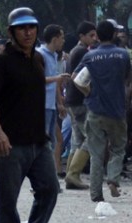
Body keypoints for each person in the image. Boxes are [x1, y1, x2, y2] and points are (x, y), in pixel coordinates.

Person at [0, 7, 59, 223]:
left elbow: (33, 86)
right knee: (7, 198)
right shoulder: (0, 61)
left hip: (39, 141)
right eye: (22, 28)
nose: (28, 32)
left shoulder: (37, 59)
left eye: (32, 27)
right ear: (12, 32)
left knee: (50, 189)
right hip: (10, 143)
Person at [76, 20, 132, 201]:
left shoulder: (90, 56)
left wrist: (89, 92)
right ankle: (113, 180)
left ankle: (96, 194)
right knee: (117, 149)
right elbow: (127, 79)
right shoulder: (123, 55)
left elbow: (77, 79)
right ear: (114, 34)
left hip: (95, 109)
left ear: (97, 36)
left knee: (96, 154)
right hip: (117, 109)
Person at [64, 21, 97, 190]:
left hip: (72, 100)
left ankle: (71, 175)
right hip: (79, 101)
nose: (94, 38)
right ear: (81, 36)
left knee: (77, 140)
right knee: (91, 137)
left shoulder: (76, 51)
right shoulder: (83, 52)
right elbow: (78, 77)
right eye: (91, 35)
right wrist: (88, 93)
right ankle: (73, 174)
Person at [36, 25, 70, 167]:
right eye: (61, 38)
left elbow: (54, 82)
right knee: (42, 142)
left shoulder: (55, 56)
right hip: (40, 104)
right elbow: (36, 79)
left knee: (51, 142)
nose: (63, 41)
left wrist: (59, 103)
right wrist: (57, 78)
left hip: (50, 105)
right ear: (55, 39)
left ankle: (48, 178)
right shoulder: (39, 55)